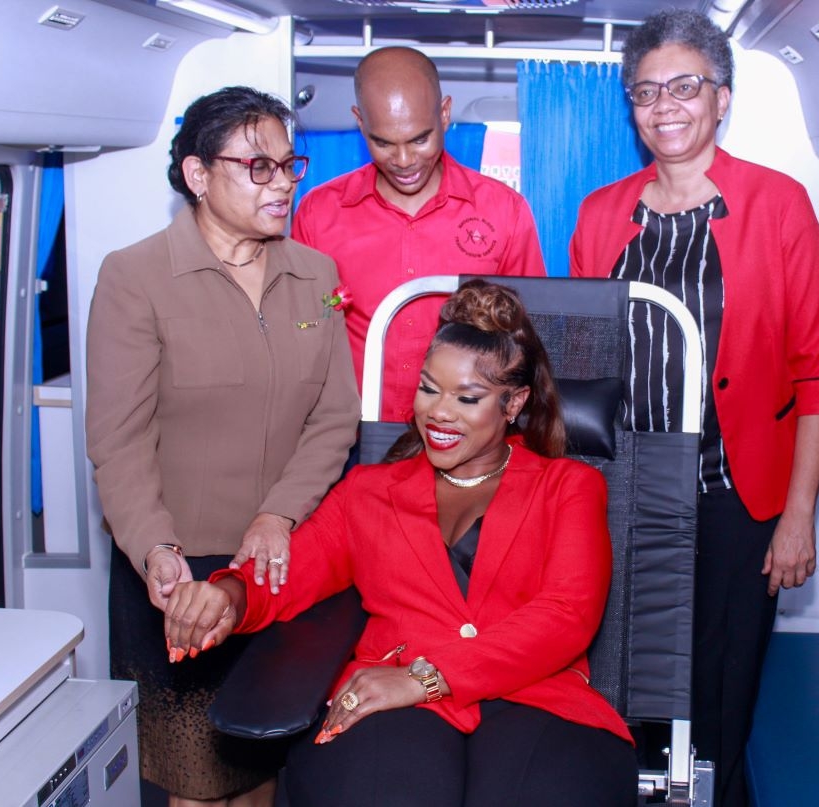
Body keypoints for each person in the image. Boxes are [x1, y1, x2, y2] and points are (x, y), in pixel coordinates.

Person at [161, 280, 639, 807]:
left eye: (468, 398)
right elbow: (295, 570)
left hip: (536, 698)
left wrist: (428, 679)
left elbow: (566, 614)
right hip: (389, 702)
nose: (439, 412)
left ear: (514, 403)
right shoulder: (369, 491)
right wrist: (228, 598)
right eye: (429, 389)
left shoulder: (568, 487)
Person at [569, 10, 819, 806]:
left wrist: (798, 515)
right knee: (627, 669)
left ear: (721, 98)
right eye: (646, 91)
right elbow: (585, 367)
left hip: (736, 494)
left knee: (724, 681)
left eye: (685, 86)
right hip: (626, 493)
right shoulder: (599, 215)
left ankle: (718, 795)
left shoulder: (780, 205)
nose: (666, 106)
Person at [86, 86, 360, 806]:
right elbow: (117, 439)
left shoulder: (315, 275)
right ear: (198, 175)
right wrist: (155, 549)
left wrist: (280, 515)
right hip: (178, 570)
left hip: (275, 562)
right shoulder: (135, 276)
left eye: (289, 166)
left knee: (260, 761)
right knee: (196, 781)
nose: (282, 184)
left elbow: (334, 419)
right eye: (257, 166)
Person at [292, 46, 547, 420]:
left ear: (444, 114)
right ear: (359, 122)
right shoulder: (319, 211)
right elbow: (301, 328)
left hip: (466, 434)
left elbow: (530, 334)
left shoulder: (504, 210)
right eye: (382, 142)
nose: (404, 160)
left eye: (419, 139)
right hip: (350, 431)